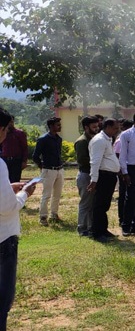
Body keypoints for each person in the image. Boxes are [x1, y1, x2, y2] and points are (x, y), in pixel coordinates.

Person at [0, 107, 36, 329]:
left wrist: (8, 187)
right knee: (2, 303)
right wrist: (24, 194)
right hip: (3, 241)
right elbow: (7, 207)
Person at [87, 118, 121, 242]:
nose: (117, 131)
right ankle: (97, 233)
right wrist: (94, 179)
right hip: (103, 176)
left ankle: (103, 230)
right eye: (115, 128)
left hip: (109, 176)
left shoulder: (108, 139)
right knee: (99, 205)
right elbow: (95, 161)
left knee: (105, 205)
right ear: (107, 127)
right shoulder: (100, 140)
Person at [32, 117, 64, 226]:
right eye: (57, 125)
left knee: (57, 194)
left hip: (59, 169)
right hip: (48, 170)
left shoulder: (58, 139)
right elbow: (35, 156)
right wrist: (42, 166)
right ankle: (43, 217)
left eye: (59, 124)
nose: (60, 126)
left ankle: (54, 214)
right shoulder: (43, 139)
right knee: (46, 194)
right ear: (51, 126)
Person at [74, 116, 99, 236]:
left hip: (93, 174)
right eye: (94, 127)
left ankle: (90, 227)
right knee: (85, 203)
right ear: (86, 127)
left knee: (92, 203)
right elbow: (82, 161)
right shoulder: (82, 141)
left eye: (97, 126)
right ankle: (82, 228)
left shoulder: (94, 139)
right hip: (85, 175)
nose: (97, 129)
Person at [0, 117, 28, 183]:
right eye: (9, 122)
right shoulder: (3, 133)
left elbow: (24, 148)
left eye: (11, 122)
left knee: (15, 181)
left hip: (16, 161)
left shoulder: (19, 133)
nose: (10, 124)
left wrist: (24, 161)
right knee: (4, 180)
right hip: (5, 160)